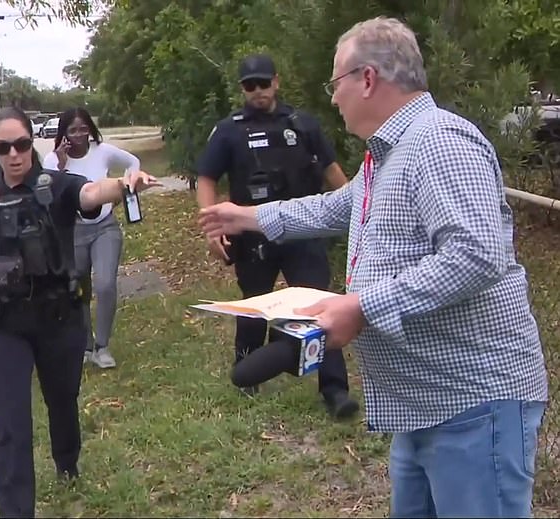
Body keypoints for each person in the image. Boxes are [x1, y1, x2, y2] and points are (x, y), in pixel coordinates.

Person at [198, 17, 548, 519]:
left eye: (335, 83)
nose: (333, 98)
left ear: (366, 79)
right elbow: (330, 207)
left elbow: (477, 253)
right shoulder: (386, 157)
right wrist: (248, 215)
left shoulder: (440, 142)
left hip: (473, 403)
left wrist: (362, 306)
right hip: (422, 405)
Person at [0, 106, 161, 518]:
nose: (14, 154)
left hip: (57, 318)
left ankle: (66, 460)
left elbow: (90, 194)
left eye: (21, 144)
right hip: (1, 324)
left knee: (62, 399)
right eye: (3, 147)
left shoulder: (58, 185)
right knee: (11, 424)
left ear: (32, 143)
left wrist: (124, 186)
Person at [195, 53, 358, 419]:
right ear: (242, 89)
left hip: (305, 233)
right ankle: (248, 372)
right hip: (253, 236)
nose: (258, 92)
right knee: (254, 305)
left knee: (320, 308)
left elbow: (333, 171)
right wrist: (212, 228)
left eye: (263, 83)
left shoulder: (302, 124)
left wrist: (358, 208)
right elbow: (206, 178)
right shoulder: (229, 131)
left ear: (276, 82)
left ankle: (334, 390)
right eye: (250, 85)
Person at [42, 107, 141, 369]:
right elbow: (49, 192)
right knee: (79, 290)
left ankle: (102, 347)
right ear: (63, 133)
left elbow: (133, 163)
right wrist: (61, 163)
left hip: (105, 227)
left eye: (83, 128)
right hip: (73, 232)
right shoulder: (52, 160)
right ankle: (86, 345)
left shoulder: (103, 151)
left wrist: (123, 192)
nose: (78, 135)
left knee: (106, 284)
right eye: (72, 130)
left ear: (90, 129)